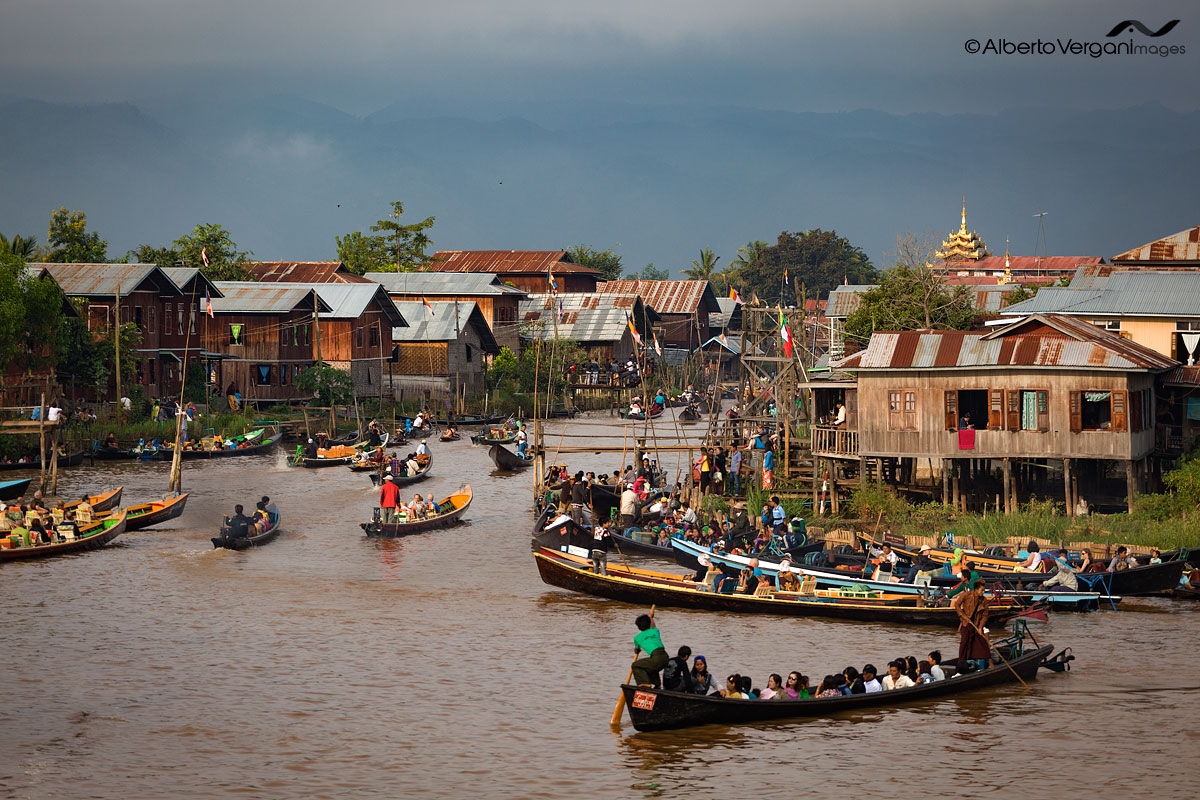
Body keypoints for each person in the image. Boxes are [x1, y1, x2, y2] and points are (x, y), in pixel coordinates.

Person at [952, 572, 992, 670]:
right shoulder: (967, 595)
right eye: (982, 590)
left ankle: (976, 662)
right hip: (966, 623)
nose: (983, 592)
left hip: (976, 625)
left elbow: (984, 616)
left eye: (984, 590)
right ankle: (961, 663)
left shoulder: (984, 601)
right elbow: (957, 605)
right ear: (976, 589)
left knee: (981, 644)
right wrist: (962, 616)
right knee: (964, 643)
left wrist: (980, 627)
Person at [631, 612, 668, 688]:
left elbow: (637, 650)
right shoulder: (655, 631)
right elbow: (653, 625)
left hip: (656, 658)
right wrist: (650, 617)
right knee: (649, 666)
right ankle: (657, 684)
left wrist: (637, 649)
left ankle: (645, 683)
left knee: (635, 665)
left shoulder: (637, 638)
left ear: (639, 627)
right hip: (665, 657)